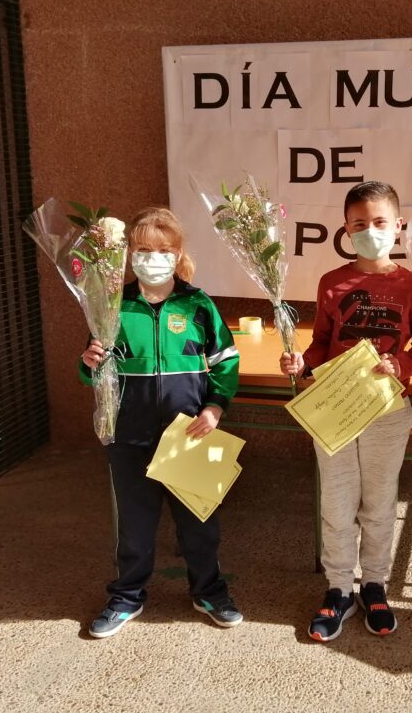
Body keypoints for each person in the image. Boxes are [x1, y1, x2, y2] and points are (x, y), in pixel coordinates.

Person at [280, 181, 412, 642]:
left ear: (398, 226)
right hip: (337, 408)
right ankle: (337, 588)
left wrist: (401, 365)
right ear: (346, 230)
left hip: (388, 410)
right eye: (360, 224)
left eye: (380, 222)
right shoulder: (332, 282)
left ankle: (374, 585)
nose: (370, 231)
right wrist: (303, 362)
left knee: (380, 503)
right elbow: (321, 342)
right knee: (337, 502)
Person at [80, 206, 243, 638]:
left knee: (199, 522)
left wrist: (215, 407)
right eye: (143, 250)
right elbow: (95, 369)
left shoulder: (197, 304)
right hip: (129, 435)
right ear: (129, 255)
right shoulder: (112, 306)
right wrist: (89, 363)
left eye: (163, 250)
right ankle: (127, 595)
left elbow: (226, 360)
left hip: (189, 432)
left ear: (177, 254)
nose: (153, 258)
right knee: (135, 525)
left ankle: (209, 590)